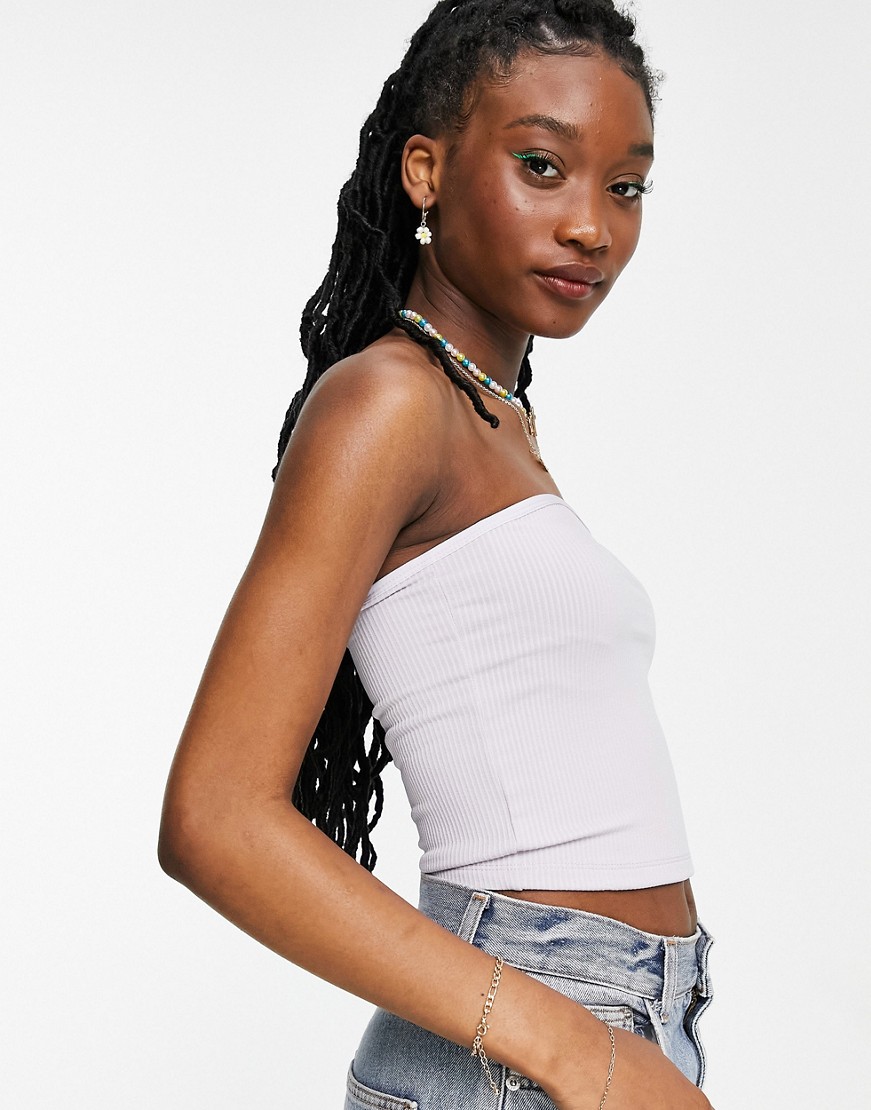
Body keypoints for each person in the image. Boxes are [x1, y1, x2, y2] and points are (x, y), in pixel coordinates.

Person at [158, 1, 715, 1106]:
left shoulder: (489, 414)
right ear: (426, 170)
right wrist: (576, 1048)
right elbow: (214, 818)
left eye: (626, 186)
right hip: (528, 1042)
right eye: (541, 166)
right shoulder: (388, 403)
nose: (592, 227)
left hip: (617, 1012)